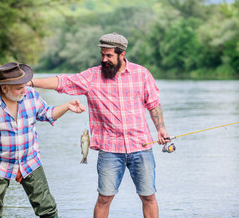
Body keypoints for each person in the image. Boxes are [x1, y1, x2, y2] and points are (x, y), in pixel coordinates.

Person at [30, 32, 169, 218]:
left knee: (148, 196)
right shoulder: (92, 76)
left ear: (122, 54)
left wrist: (161, 129)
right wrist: (30, 82)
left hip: (141, 147)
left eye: (109, 55)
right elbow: (62, 82)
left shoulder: (142, 74)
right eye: (102, 54)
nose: (104, 59)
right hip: (110, 150)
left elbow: (153, 104)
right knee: (104, 198)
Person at [0, 62, 86, 218]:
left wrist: (67, 105)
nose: (24, 90)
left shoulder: (31, 95)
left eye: (25, 85)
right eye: (19, 88)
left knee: (47, 209)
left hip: (30, 160)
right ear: (4, 87)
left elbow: (47, 113)